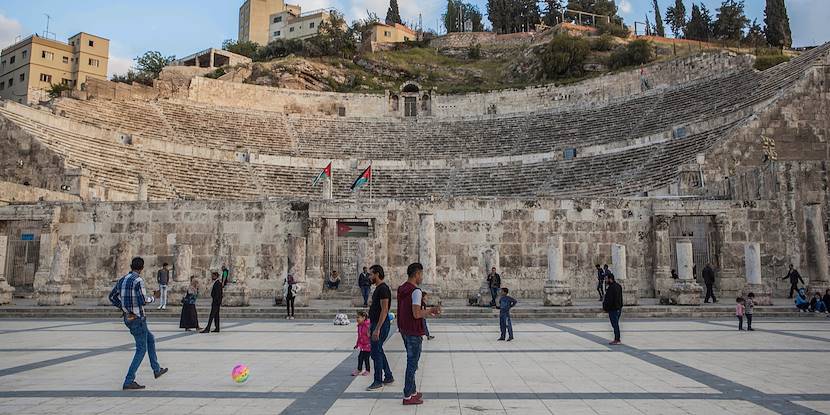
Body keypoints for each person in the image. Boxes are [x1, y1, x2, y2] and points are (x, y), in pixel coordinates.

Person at [108, 257, 168, 390]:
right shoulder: (138, 280)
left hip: (128, 318)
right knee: (141, 349)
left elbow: (111, 297)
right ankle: (129, 380)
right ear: (141, 268)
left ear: (131, 266)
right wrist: (154, 297)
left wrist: (124, 308)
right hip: (137, 319)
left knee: (150, 339)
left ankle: (156, 369)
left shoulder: (122, 280)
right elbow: (142, 300)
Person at [397, 262, 441, 406]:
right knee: (412, 363)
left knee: (411, 361)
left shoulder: (402, 288)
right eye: (421, 274)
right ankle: (408, 395)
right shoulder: (416, 291)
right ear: (417, 274)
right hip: (413, 331)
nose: (422, 277)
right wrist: (430, 310)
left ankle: (413, 391)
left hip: (404, 329)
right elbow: (416, 314)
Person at [366, 264, 394, 391]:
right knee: (377, 350)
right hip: (375, 323)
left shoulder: (383, 289)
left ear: (377, 274)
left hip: (380, 325)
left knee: (376, 352)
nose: (369, 276)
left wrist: (377, 329)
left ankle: (378, 380)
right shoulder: (378, 288)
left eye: (371, 274)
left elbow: (384, 310)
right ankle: (388, 376)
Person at [602, 272, 623, 345]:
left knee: (615, 325)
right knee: (615, 324)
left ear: (610, 279)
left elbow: (609, 300)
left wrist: (606, 308)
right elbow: (620, 298)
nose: (605, 280)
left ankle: (617, 339)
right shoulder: (618, 286)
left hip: (613, 309)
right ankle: (617, 338)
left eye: (606, 279)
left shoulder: (611, 288)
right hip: (618, 308)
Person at [353, 310, 371, 376]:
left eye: (358, 317)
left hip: (368, 345)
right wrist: (357, 344)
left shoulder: (367, 325)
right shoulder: (359, 326)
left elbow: (369, 335)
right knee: (360, 357)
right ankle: (359, 369)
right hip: (362, 345)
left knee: (366, 358)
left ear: (363, 317)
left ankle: (368, 370)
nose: (357, 319)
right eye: (356, 317)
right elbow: (359, 336)